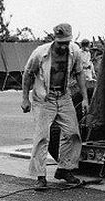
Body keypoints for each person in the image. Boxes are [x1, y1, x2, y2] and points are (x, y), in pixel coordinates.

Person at [21, 23, 89, 188]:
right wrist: (25, 99)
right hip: (44, 98)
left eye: (67, 42)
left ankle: (64, 169)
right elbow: (28, 75)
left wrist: (85, 98)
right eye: (61, 43)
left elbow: (79, 73)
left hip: (64, 96)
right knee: (42, 136)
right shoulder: (40, 53)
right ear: (54, 39)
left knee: (73, 133)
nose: (64, 46)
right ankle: (40, 176)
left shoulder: (75, 52)